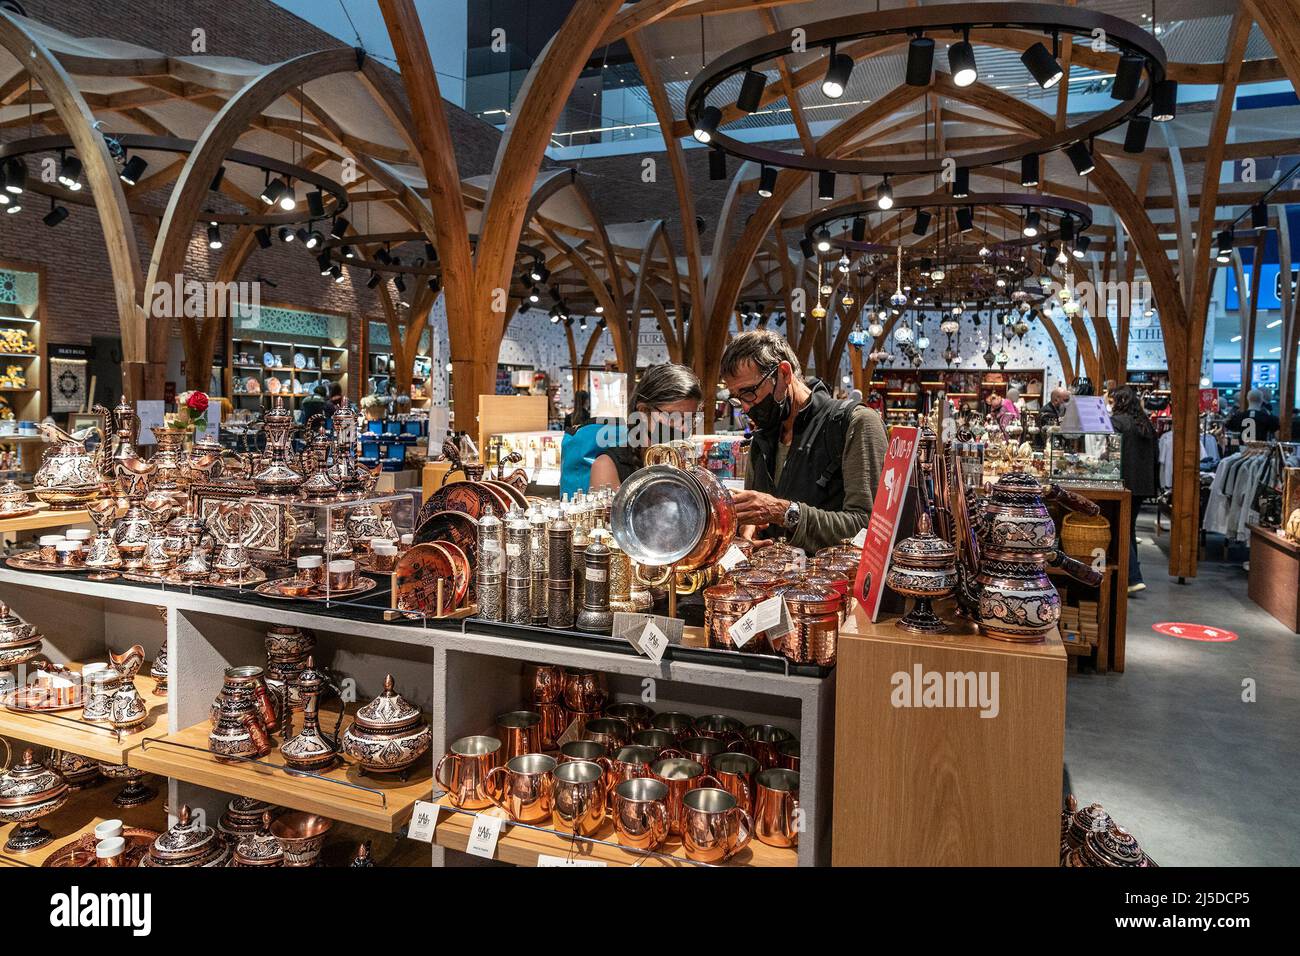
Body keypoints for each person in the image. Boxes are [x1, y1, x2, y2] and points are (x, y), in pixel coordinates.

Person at [720, 330, 887, 553]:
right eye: (737, 399)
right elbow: (757, 518)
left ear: (784, 373)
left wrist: (783, 512)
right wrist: (747, 530)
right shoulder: (763, 439)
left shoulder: (855, 423)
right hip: (769, 583)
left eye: (749, 392)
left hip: (832, 584)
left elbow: (870, 530)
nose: (747, 407)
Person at [588, 363, 703, 492]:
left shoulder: (691, 462)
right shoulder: (607, 466)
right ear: (643, 411)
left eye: (690, 418)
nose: (683, 428)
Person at [1110, 386, 1157, 594]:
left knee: (1121, 528)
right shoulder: (1144, 423)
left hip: (1124, 482)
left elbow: (1111, 452)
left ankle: (1132, 578)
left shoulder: (1118, 422)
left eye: (1112, 402)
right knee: (1129, 527)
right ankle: (1132, 575)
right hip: (1142, 484)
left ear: (1119, 402)